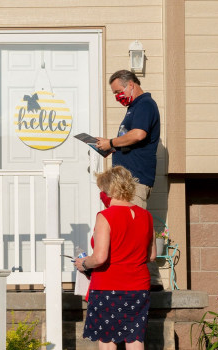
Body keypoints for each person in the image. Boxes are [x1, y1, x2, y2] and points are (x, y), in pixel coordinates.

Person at [95, 69, 163, 291]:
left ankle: (149, 282)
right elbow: (130, 139)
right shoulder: (134, 108)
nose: (117, 97)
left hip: (135, 179)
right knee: (131, 229)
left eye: (118, 92)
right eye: (114, 94)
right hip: (127, 180)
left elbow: (138, 135)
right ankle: (147, 280)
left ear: (131, 85)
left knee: (136, 229)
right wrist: (111, 147)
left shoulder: (144, 105)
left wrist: (112, 142)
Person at [74, 166, 156, 350]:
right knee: (135, 338)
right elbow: (152, 255)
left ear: (109, 190)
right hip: (139, 286)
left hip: (108, 286)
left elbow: (100, 257)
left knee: (107, 339)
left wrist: (84, 263)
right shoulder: (147, 216)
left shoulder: (105, 216)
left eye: (102, 190)